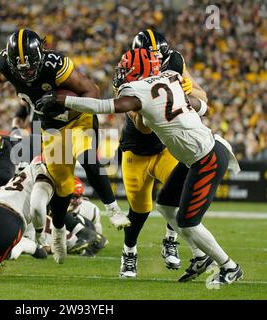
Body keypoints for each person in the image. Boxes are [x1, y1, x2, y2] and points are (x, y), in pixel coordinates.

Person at [37, 48, 243, 285]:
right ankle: (201, 257)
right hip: (199, 153)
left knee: (188, 221)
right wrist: (192, 106)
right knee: (165, 205)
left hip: (206, 158)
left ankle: (229, 267)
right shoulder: (170, 78)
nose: (123, 72)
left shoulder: (138, 90)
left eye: (128, 68)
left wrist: (63, 99)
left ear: (140, 70)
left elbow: (104, 107)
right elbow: (203, 107)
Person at [0, 28, 129, 264]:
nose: (27, 73)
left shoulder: (55, 65)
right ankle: (57, 233)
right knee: (62, 186)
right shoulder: (5, 63)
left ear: (41, 54)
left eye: (31, 66)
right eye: (20, 69)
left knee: (88, 158)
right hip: (51, 129)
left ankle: (113, 208)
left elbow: (93, 92)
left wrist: (63, 104)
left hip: (78, 119)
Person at [115, 29, 209, 277]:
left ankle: (170, 239)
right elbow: (143, 128)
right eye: (152, 58)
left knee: (176, 196)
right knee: (139, 210)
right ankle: (129, 252)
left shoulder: (174, 61)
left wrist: (186, 91)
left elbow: (202, 96)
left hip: (165, 147)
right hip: (136, 150)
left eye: (160, 58)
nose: (158, 63)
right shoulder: (130, 71)